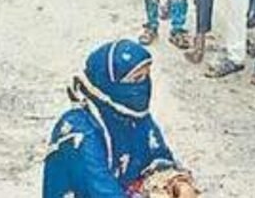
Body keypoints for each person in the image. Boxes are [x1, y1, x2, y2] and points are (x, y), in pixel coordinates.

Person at [43, 40, 199, 198]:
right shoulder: (81, 132)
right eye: (136, 79)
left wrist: (178, 183)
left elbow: (157, 154)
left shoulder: (131, 114)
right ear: (109, 83)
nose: (144, 84)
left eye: (146, 76)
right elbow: (101, 190)